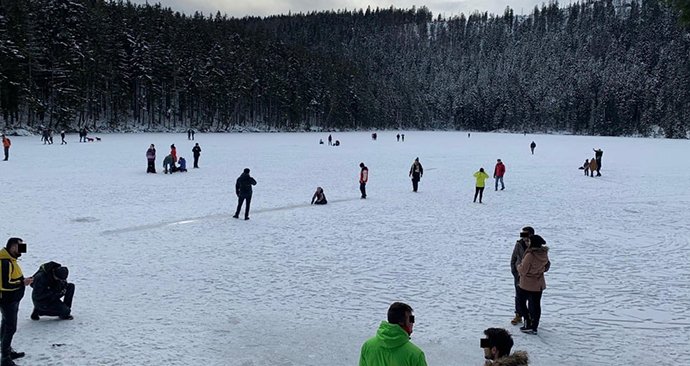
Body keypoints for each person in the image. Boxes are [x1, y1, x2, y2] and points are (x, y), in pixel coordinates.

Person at [359, 302, 427, 366]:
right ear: (401, 323)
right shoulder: (415, 354)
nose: (413, 323)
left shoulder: (367, 347)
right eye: (411, 319)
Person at [1, 238, 33, 366]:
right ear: (13, 247)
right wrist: (22, 282)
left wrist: (22, 281)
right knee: (10, 328)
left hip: (11, 299)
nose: (22, 250)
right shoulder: (5, 262)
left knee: (6, 325)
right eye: (20, 247)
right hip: (7, 300)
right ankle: (5, 358)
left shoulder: (10, 260)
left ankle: (6, 352)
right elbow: (4, 284)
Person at [516, 234, 550, 335]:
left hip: (526, 284)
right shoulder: (544, 254)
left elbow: (523, 270)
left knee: (521, 303)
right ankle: (534, 326)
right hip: (538, 284)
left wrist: (518, 266)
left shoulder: (530, 255)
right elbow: (547, 266)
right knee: (536, 305)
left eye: (529, 241)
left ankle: (527, 323)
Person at [510, 226, 534, 325]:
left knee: (531, 297)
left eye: (525, 234)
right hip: (519, 274)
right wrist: (514, 271)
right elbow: (513, 258)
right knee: (519, 296)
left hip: (531, 275)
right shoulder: (519, 244)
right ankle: (518, 315)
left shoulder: (536, 245)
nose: (523, 237)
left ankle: (530, 317)